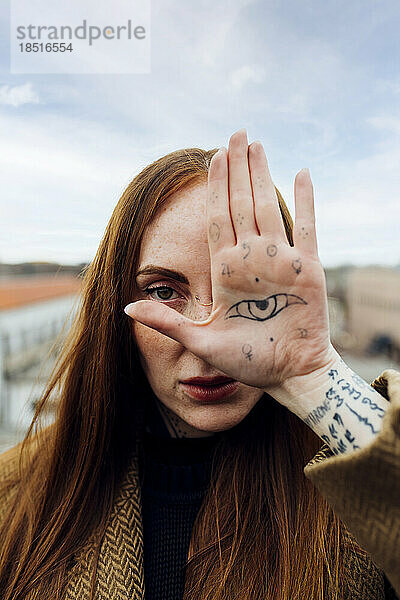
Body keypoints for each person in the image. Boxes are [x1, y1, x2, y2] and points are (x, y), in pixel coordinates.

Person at [0, 129, 399, 600]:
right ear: (116, 312)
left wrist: (314, 374)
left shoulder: (357, 492)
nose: (211, 343)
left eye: (250, 293)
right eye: (164, 292)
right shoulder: (15, 495)